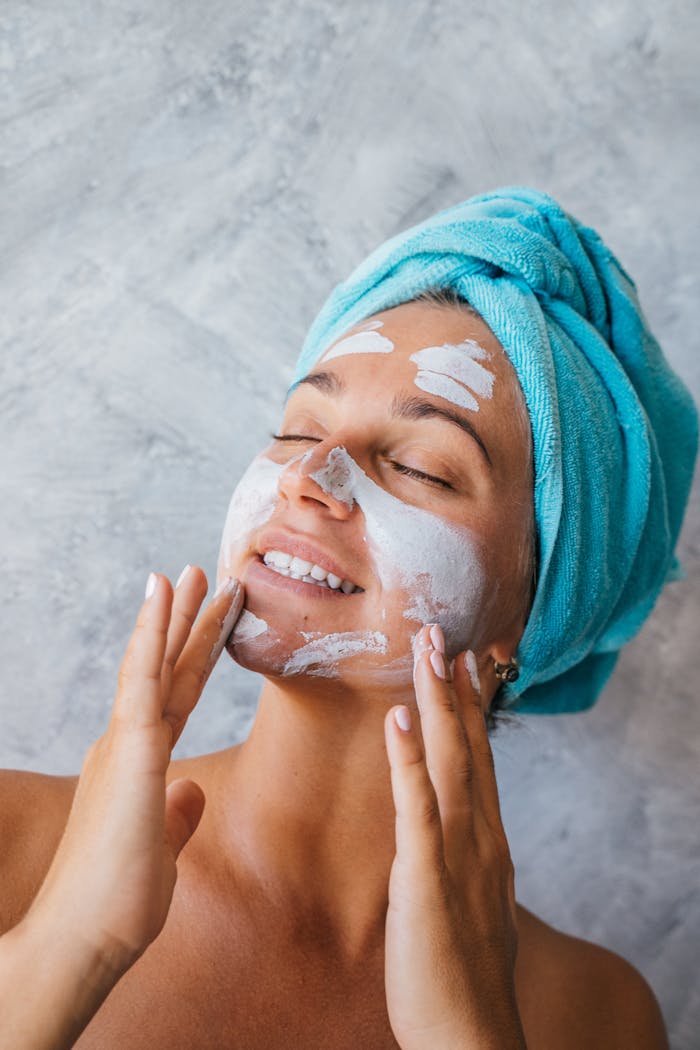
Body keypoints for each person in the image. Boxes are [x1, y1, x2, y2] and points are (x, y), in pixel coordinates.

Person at [0, 188, 696, 1049]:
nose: (309, 477)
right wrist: (69, 944)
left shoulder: (596, 1016)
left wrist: (470, 1034)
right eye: (298, 430)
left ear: (539, 609)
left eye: (420, 467)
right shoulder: (14, 851)